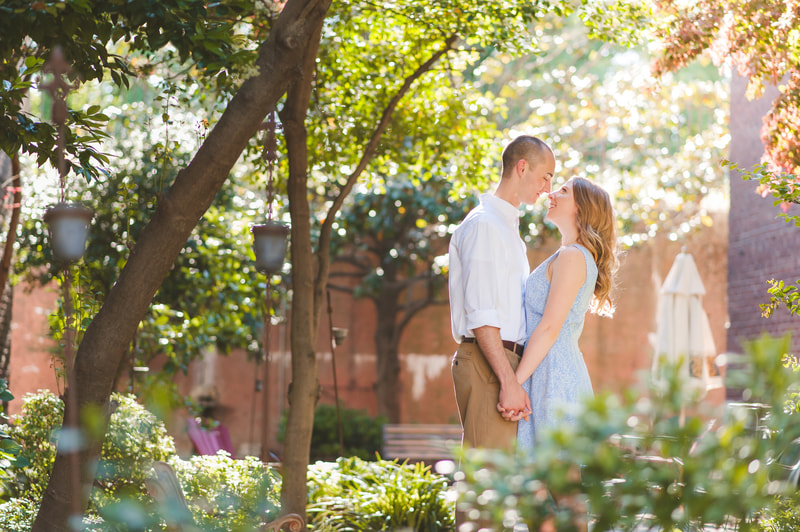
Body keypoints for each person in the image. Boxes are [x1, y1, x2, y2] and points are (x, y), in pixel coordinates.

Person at [448, 135, 555, 450]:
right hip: (489, 362)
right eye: (545, 176)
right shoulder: (485, 226)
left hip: (502, 363)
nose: (548, 187)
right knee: (484, 485)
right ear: (522, 168)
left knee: (498, 485)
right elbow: (482, 314)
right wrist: (508, 381)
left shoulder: (506, 228)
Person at [506, 176, 618, 448]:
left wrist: (513, 384)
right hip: (547, 369)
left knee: (562, 483)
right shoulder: (569, 255)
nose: (551, 193)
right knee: (545, 483)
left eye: (564, 190)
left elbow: (549, 328)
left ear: (581, 207)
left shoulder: (573, 256)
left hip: (555, 375)